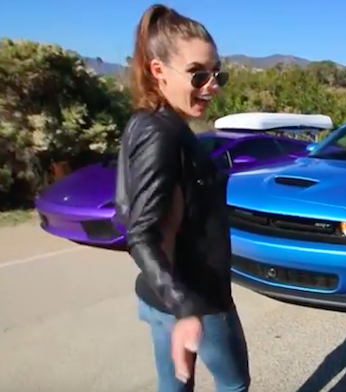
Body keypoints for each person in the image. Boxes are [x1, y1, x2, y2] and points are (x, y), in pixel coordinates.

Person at [114, 4, 250, 391]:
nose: (212, 85)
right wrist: (186, 309)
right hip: (197, 301)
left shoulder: (148, 123)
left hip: (160, 295)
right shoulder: (162, 134)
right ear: (158, 70)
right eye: (198, 74)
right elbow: (140, 233)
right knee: (234, 384)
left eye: (217, 74)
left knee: (174, 385)